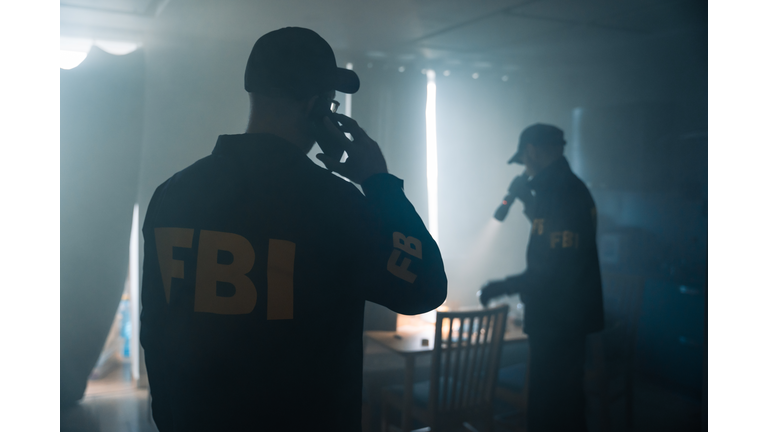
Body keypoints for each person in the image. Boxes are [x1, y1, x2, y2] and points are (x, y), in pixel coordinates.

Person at [140, 27, 447, 431]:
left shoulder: (172, 194)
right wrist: (378, 183)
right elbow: (424, 288)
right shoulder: (335, 204)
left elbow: (157, 325)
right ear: (317, 105)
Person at [478, 123, 604, 432]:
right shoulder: (561, 189)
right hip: (561, 319)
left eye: (523, 162)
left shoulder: (563, 192)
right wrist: (527, 203)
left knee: (553, 409)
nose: (525, 171)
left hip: (559, 321)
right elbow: (553, 232)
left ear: (532, 151)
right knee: (561, 404)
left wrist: (504, 286)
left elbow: (552, 268)